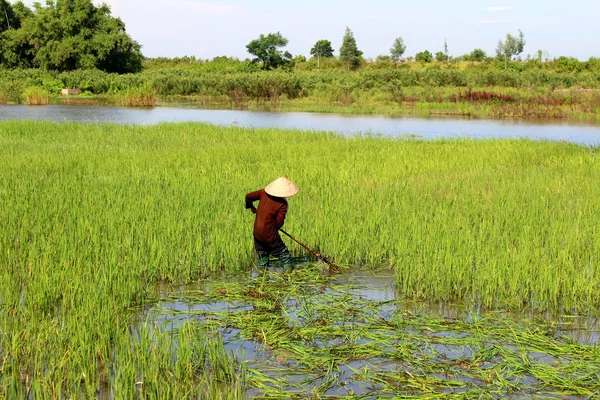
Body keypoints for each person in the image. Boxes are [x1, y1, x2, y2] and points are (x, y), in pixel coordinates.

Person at [245, 177, 299, 269]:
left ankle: (261, 279)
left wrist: (251, 207)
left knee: (263, 257)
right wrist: (273, 226)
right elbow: (279, 223)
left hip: (257, 233)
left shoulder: (263, 193)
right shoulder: (282, 204)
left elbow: (248, 197)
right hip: (269, 235)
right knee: (285, 257)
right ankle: (289, 279)